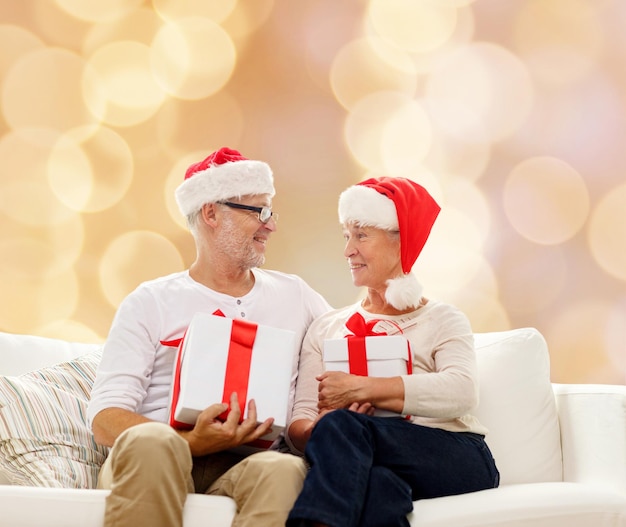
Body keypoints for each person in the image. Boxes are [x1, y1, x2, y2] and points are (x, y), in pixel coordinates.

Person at [86, 147, 331, 527]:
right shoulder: (151, 300)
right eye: (259, 211)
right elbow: (105, 419)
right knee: (154, 444)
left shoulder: (296, 296)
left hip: (244, 465)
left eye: (271, 211)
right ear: (211, 213)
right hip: (156, 458)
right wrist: (189, 442)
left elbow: (341, 341)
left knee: (283, 471)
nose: (271, 225)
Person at [285, 177, 500, 527]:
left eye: (362, 235)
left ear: (402, 241)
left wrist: (364, 389)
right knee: (379, 486)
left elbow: (462, 391)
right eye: (346, 236)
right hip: (366, 457)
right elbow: (300, 422)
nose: (348, 250)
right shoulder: (326, 327)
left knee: (345, 427)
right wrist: (317, 431)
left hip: (455, 456)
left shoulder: (442, 318)